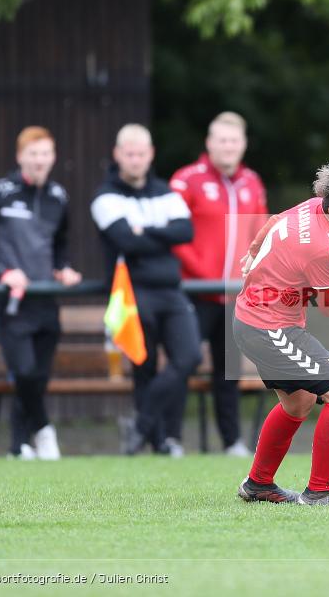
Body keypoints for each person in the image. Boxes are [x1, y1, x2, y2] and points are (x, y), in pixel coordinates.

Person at [234, 161, 329, 506]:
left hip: (255, 320)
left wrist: (252, 254)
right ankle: (319, 493)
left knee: (299, 402)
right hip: (269, 328)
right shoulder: (323, 249)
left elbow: (273, 221)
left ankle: (258, 484)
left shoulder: (312, 206)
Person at [0, 125, 82, 460]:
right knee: (25, 371)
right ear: (20, 156)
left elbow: (60, 244)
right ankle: (44, 430)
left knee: (38, 377)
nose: (39, 160)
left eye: (45, 154)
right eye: (33, 154)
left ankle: (18, 446)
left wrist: (63, 268)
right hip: (10, 302)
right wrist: (5, 273)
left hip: (44, 298)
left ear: (54, 157)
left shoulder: (58, 196)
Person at [90, 124, 202, 456]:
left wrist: (143, 230)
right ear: (118, 155)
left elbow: (185, 231)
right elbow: (126, 240)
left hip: (170, 290)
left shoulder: (165, 191)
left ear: (150, 154)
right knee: (144, 366)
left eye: (141, 153)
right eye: (130, 154)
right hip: (132, 292)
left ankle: (139, 427)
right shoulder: (104, 196)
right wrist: (159, 232)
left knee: (189, 357)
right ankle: (158, 442)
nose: (135, 160)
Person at [169, 112, 269, 457]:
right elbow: (173, 234)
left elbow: (260, 232)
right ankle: (170, 439)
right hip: (194, 292)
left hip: (234, 297)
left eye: (234, 141)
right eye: (222, 140)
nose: (228, 147)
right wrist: (201, 273)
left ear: (243, 144)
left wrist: (252, 275)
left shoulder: (252, 182)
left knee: (229, 372)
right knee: (184, 362)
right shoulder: (187, 180)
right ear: (209, 143)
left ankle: (231, 442)